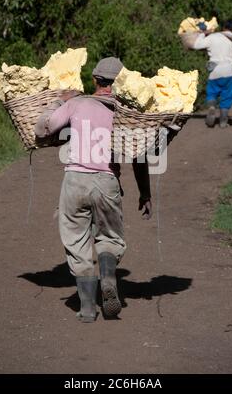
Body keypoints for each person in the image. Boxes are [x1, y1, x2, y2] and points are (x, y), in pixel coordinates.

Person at [35, 57, 152, 323]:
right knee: (110, 237)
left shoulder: (78, 103)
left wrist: (59, 102)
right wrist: (145, 194)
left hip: (76, 178)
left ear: (95, 81)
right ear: (122, 84)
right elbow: (139, 158)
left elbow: (43, 130)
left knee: (77, 242)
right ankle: (108, 277)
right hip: (107, 181)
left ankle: (87, 308)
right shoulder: (127, 114)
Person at [193, 19, 232, 128]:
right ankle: (223, 121)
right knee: (227, 96)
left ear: (223, 27)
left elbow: (196, 46)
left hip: (215, 71)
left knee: (212, 93)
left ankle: (212, 107)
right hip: (229, 72)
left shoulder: (213, 37)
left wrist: (203, 34)